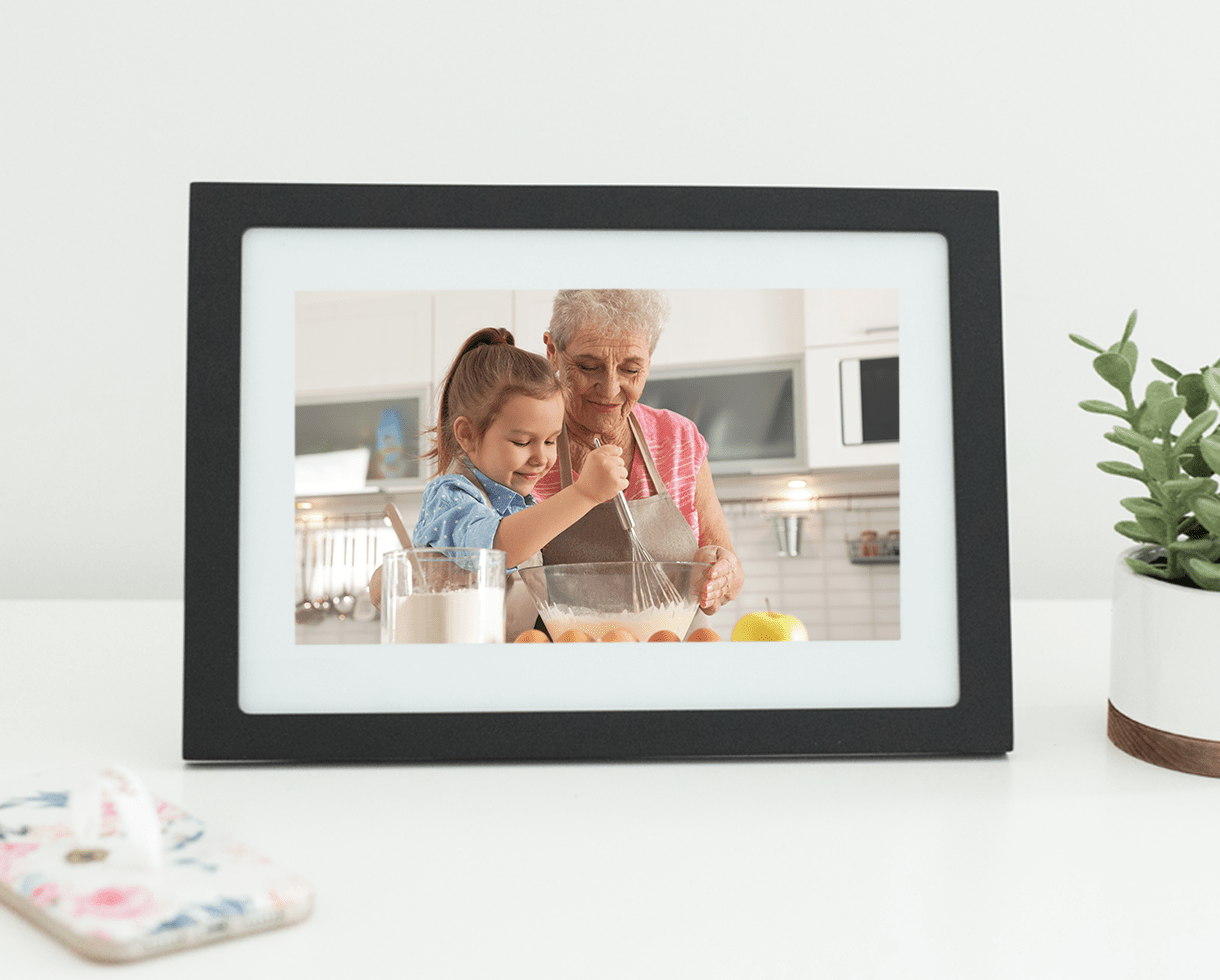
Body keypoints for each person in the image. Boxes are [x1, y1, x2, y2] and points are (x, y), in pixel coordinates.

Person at [370, 327, 628, 639]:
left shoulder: (520, 504)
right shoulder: (451, 496)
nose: (541, 458)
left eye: (550, 441)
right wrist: (584, 493)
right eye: (522, 442)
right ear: (467, 435)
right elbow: (497, 547)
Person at [531, 290, 744, 623]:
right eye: (589, 367)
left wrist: (720, 574)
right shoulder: (524, 446)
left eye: (631, 370)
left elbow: (726, 564)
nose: (610, 388)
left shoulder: (679, 439)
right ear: (552, 351)